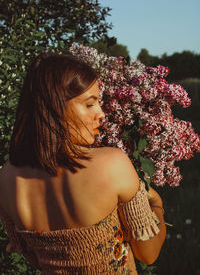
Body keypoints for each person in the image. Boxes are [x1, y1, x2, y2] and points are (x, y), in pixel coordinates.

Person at [0, 54, 166, 274]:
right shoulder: (112, 164)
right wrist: (157, 204)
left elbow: (33, 258)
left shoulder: (6, 178)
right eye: (89, 104)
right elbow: (148, 253)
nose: (102, 114)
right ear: (54, 107)